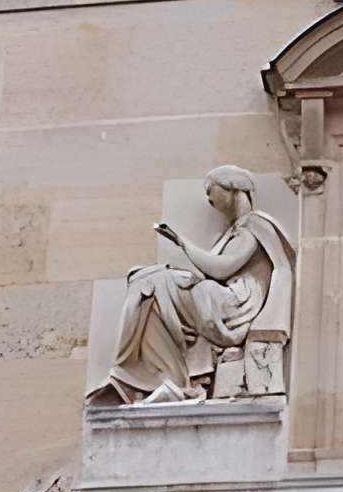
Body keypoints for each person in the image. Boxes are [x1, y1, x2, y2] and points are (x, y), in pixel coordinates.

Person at [86, 165, 295, 406]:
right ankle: (148, 378)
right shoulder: (236, 230)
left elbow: (221, 268)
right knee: (146, 283)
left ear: (232, 187)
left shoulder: (254, 225)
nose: (208, 198)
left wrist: (181, 242)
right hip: (217, 298)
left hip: (235, 304)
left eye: (211, 190)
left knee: (155, 282)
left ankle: (152, 378)